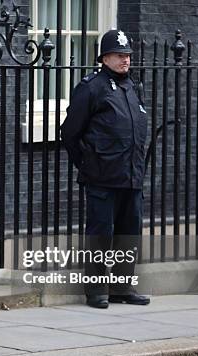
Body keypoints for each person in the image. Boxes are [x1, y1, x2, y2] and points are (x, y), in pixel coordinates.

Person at [61, 29, 151, 309]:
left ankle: (122, 287)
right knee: (101, 234)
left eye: (128, 56)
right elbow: (70, 133)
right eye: (120, 55)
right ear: (105, 58)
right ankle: (96, 290)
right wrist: (88, 164)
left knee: (129, 233)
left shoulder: (133, 87)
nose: (126, 60)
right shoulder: (92, 87)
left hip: (131, 175)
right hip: (102, 177)